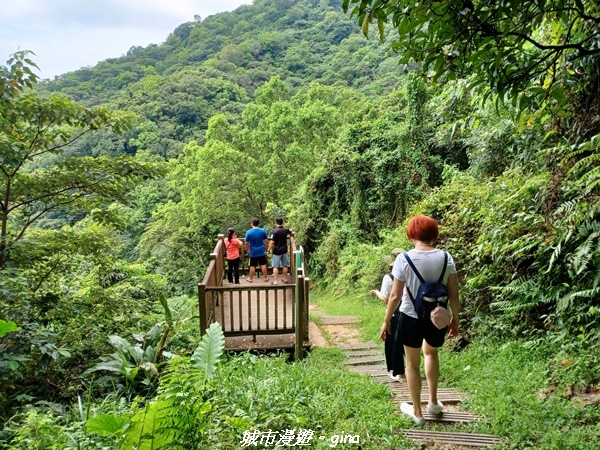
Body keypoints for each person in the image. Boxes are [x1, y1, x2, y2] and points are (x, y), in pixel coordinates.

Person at [379, 215, 459, 426]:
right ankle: (433, 401)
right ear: (434, 235)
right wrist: (455, 320)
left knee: (412, 364)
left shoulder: (403, 259)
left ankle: (418, 412)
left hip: (409, 316)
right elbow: (454, 294)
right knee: (431, 353)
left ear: (412, 234)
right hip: (437, 316)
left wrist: (386, 321)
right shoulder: (446, 257)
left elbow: (395, 296)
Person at [369, 248, 405, 382]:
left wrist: (376, 292)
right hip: (413, 312)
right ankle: (413, 370)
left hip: (396, 313)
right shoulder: (411, 273)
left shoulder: (389, 278)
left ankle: (398, 372)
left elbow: (387, 299)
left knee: (393, 342)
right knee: (409, 342)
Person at [244, 218, 269, 283]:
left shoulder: (248, 232)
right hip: (261, 250)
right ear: (258, 223)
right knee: (263, 264)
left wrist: (247, 249)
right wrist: (267, 248)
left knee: (252, 265)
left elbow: (246, 243)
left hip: (253, 251)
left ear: (252, 224)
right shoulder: (262, 230)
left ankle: (250, 278)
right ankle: (266, 278)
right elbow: (266, 240)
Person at [268, 217, 291, 285]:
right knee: (285, 265)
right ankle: (285, 278)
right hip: (284, 250)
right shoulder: (286, 229)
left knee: (275, 266)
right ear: (282, 222)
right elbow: (291, 232)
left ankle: (275, 281)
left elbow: (272, 242)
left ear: (276, 222)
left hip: (277, 251)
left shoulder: (275, 231)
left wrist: (268, 250)